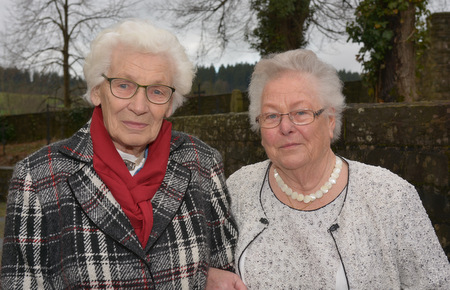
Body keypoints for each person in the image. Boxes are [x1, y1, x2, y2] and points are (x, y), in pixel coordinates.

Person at [1, 19, 238, 289]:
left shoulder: (201, 162)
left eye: (157, 91)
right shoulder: (38, 176)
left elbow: (225, 269)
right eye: (124, 85)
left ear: (170, 105)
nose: (139, 106)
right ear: (97, 92)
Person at [224, 49, 450, 289]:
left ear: (330, 120)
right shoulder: (238, 189)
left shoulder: (390, 196)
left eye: (301, 112)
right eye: (271, 116)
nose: (286, 127)